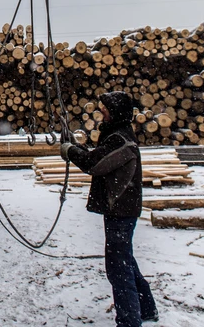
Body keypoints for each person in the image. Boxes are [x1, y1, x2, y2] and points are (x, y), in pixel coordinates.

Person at [61, 91, 158, 326]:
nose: (101, 112)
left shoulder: (120, 139)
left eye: (105, 108)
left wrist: (70, 151)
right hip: (121, 209)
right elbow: (96, 156)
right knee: (125, 260)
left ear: (115, 111)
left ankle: (129, 320)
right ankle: (146, 309)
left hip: (121, 210)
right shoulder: (116, 135)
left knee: (118, 268)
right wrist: (74, 147)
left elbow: (95, 163)